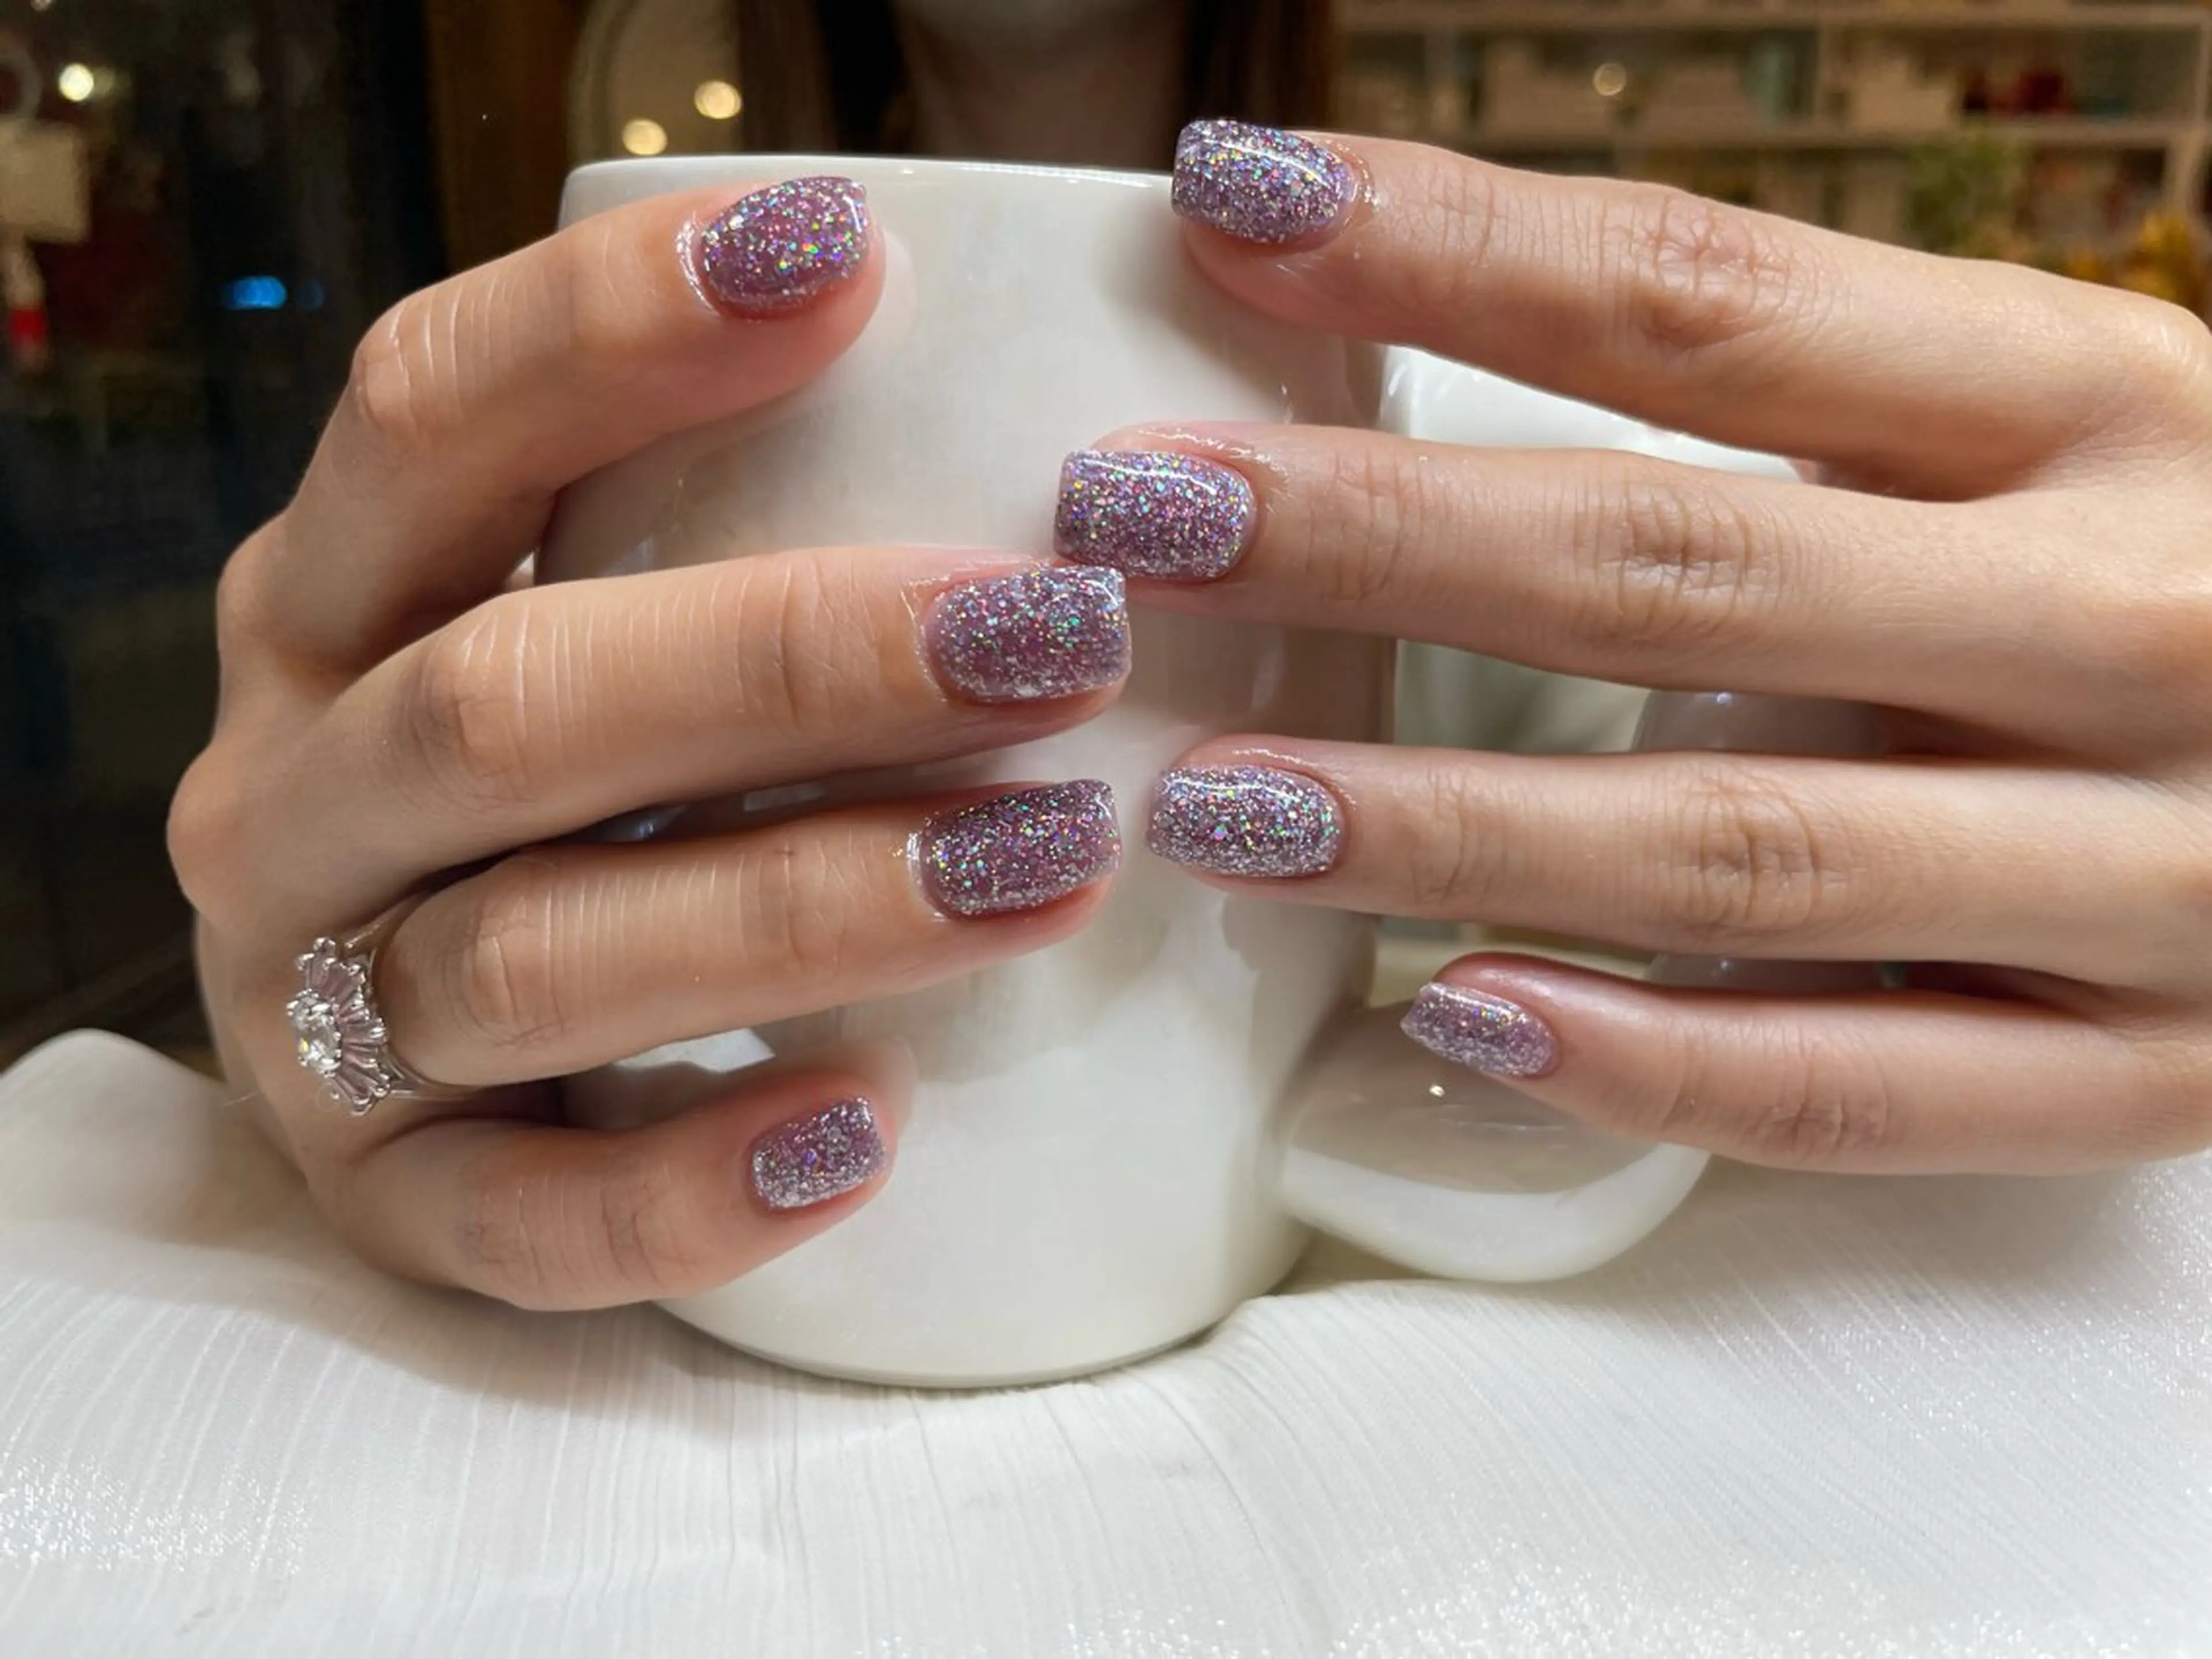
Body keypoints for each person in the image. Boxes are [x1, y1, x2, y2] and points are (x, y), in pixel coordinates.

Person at [169, 0, 2212, 1312]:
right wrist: (330, 996)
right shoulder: (596, 317)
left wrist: (2016, 751)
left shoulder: (1461, 360)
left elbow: (1734, 731)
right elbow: (350, 872)